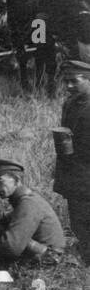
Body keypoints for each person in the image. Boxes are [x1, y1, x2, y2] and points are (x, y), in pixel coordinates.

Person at [0, 160, 65, 267]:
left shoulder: (28, 203)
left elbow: (11, 247)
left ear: (17, 180)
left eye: (0, 181)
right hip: (44, 251)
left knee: (0, 237)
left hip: (49, 258)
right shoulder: (24, 199)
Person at [54, 60, 90, 265]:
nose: (68, 86)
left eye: (74, 81)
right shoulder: (69, 103)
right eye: (66, 81)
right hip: (73, 171)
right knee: (77, 217)